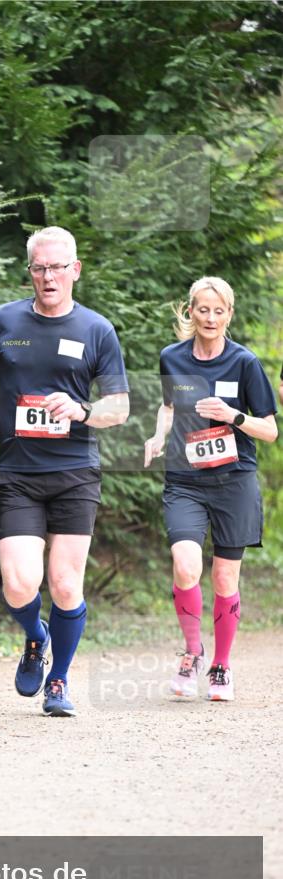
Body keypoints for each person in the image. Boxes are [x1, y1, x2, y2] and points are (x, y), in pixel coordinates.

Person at [0, 226, 129, 717]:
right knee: (19, 584)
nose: (48, 276)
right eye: (39, 268)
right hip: (19, 471)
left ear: (75, 270)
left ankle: (58, 681)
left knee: (63, 584)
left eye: (58, 267)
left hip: (76, 472)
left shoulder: (96, 330)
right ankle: (36, 637)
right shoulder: (3, 321)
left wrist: (81, 410)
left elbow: (118, 407)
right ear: (30, 271)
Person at [144, 276, 278, 702]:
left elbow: (270, 431)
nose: (211, 318)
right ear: (190, 311)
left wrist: (232, 416)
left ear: (229, 315)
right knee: (185, 565)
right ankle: (192, 652)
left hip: (234, 481)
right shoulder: (172, 357)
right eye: (203, 309)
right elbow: (168, 407)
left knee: (224, 577)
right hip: (185, 479)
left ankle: (221, 665)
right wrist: (158, 436)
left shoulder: (245, 363)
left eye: (219, 311)